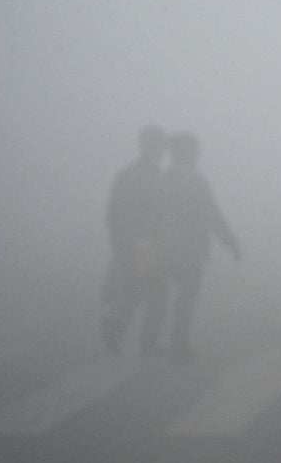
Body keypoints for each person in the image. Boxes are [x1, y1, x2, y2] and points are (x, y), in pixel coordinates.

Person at [141, 131, 242, 361]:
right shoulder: (196, 180)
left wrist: (148, 245)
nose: (199, 155)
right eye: (196, 151)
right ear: (189, 153)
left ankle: (148, 342)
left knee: (158, 297)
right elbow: (212, 215)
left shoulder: (163, 178)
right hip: (189, 249)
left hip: (162, 247)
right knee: (185, 299)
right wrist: (232, 244)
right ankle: (178, 346)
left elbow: (151, 216)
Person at [100, 124, 167, 355]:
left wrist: (116, 239)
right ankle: (141, 340)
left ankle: (115, 326)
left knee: (137, 288)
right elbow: (158, 211)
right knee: (155, 291)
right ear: (153, 147)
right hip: (144, 242)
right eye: (159, 145)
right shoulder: (152, 176)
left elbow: (111, 211)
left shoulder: (126, 173)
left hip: (126, 239)